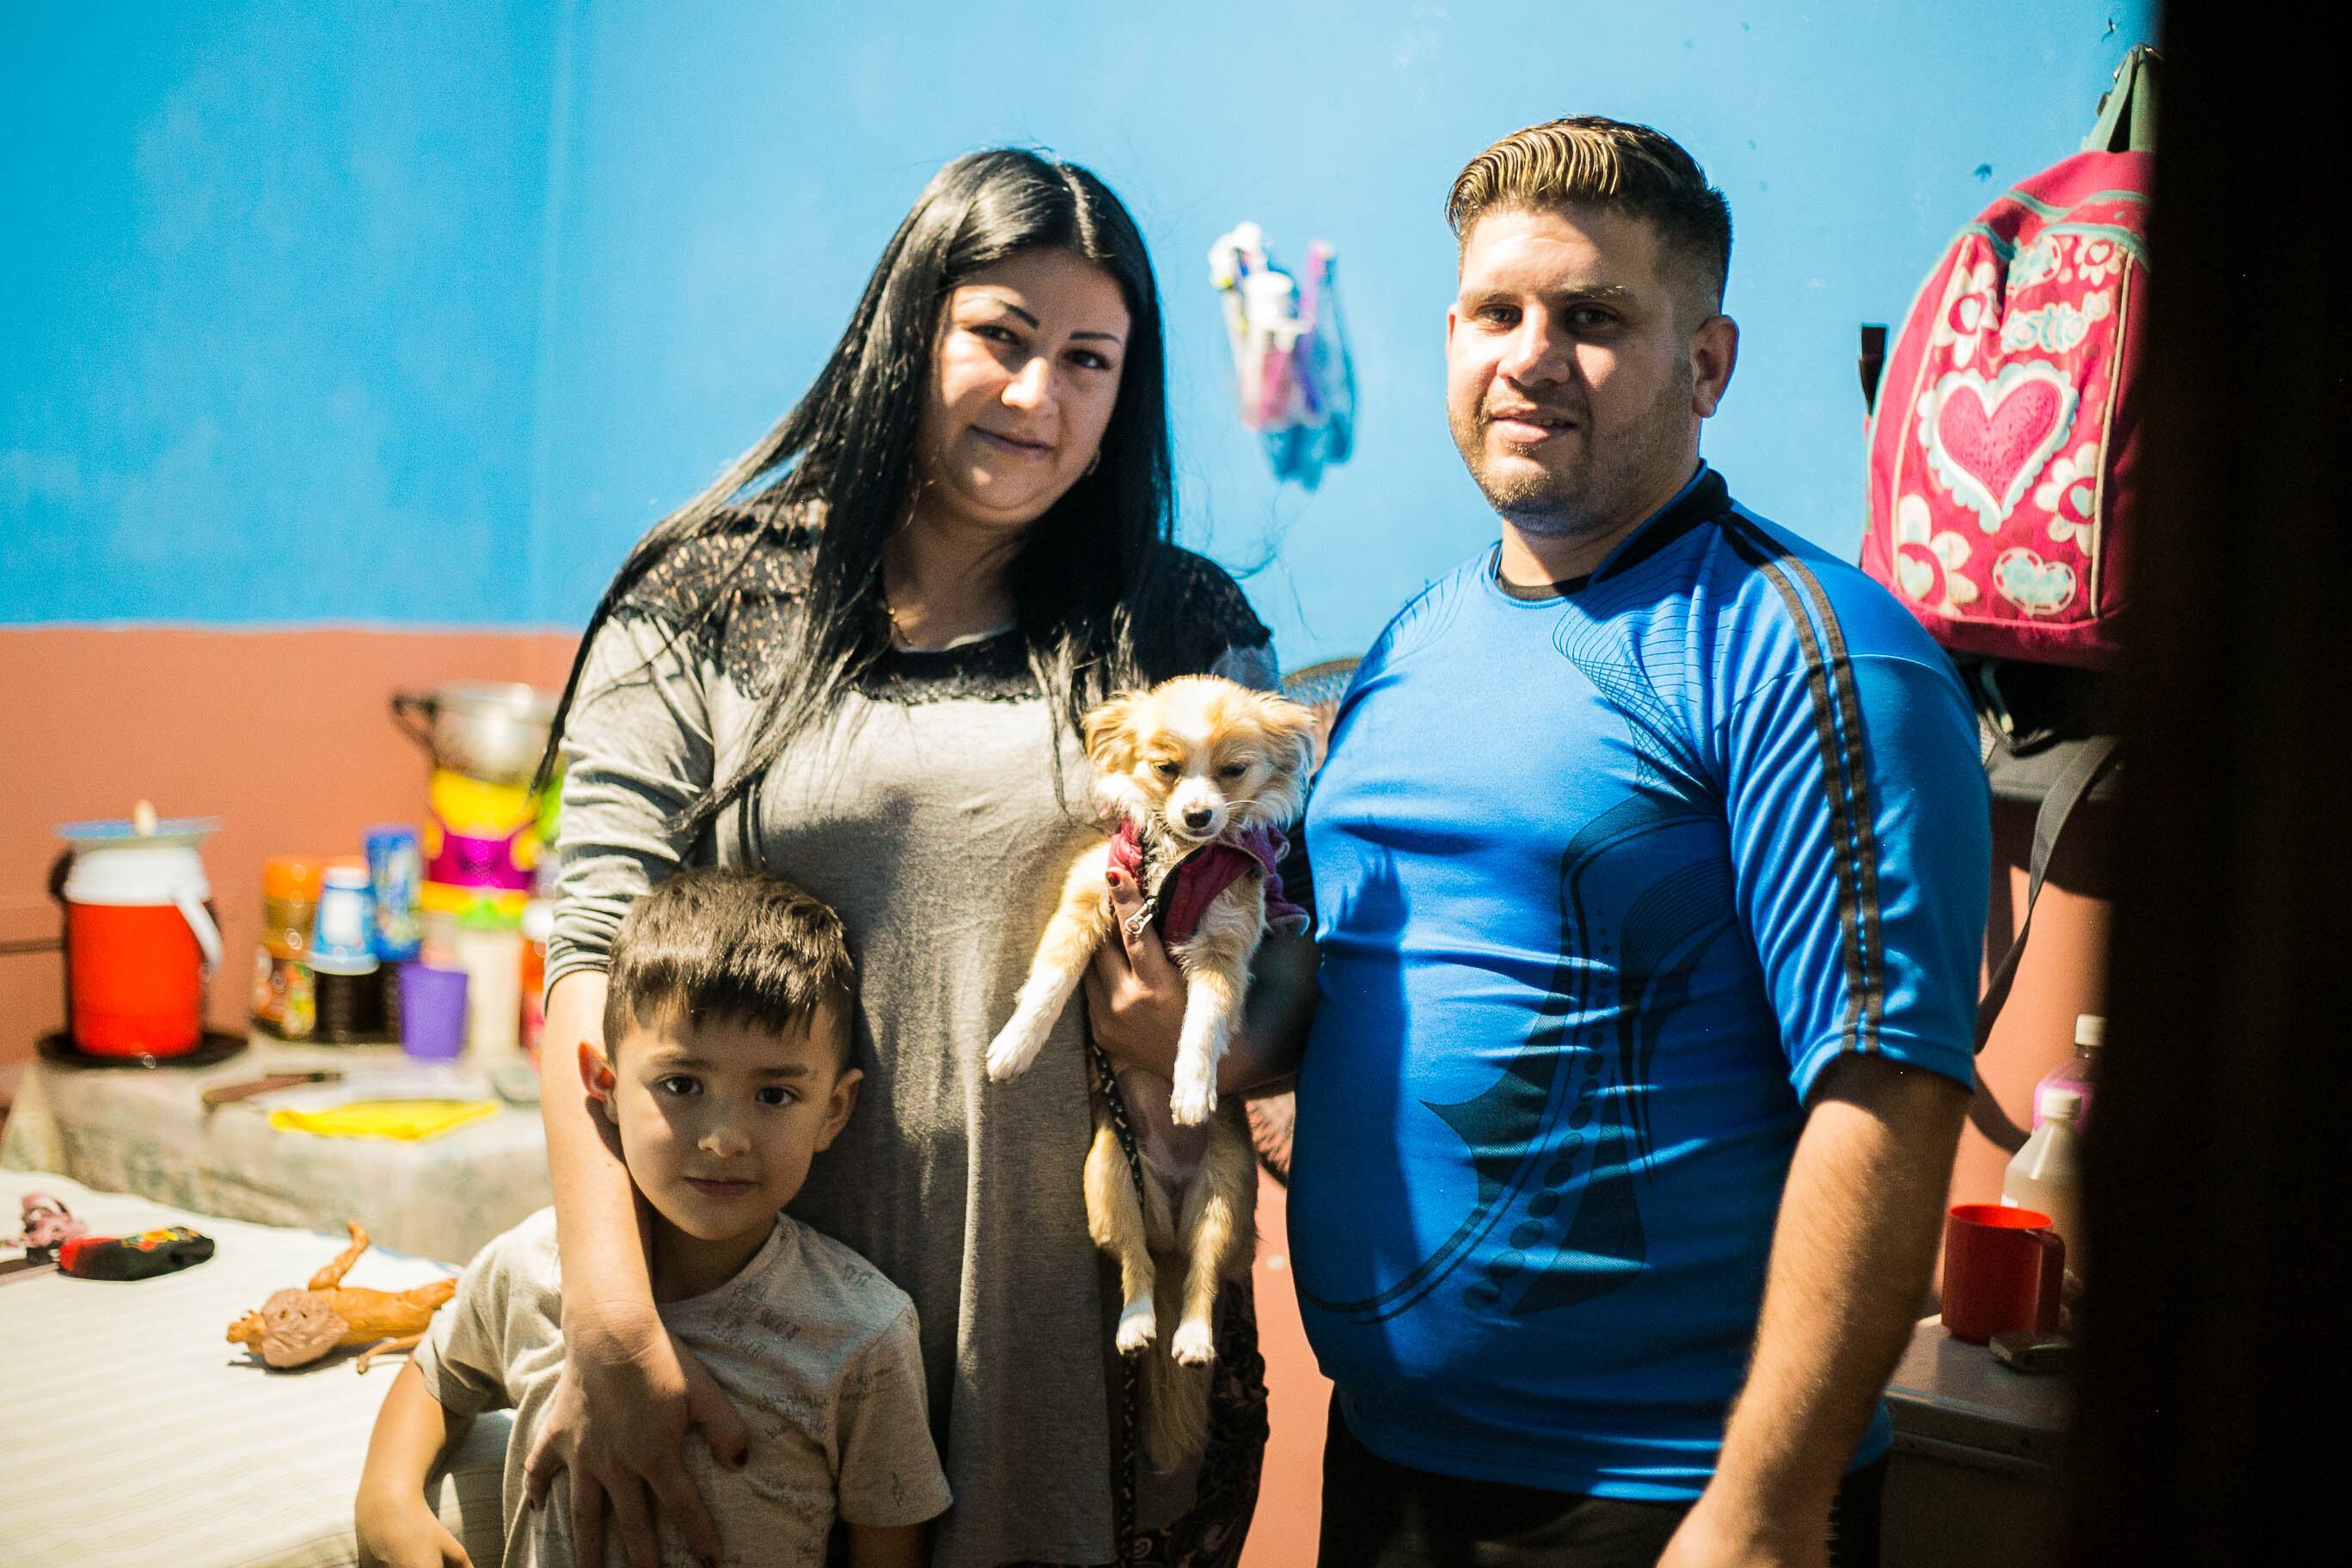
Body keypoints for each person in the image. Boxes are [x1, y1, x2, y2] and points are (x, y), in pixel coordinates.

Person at [527, 150, 1316, 1568]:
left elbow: (1290, 938)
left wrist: (1236, 1039)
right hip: (750, 1321)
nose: (1038, 397)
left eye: (1089, 358)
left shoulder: (1175, 622)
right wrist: (608, 1312)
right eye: (1001, 338)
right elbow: (587, 942)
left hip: (1076, 1325)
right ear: (910, 330)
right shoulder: (710, 592)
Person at [1288, 118, 1988, 1568]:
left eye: (1594, 318)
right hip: (1391, 1470)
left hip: (1668, 1496)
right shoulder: (1412, 642)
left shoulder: (1814, 651)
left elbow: (1886, 1091)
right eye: (1497, 311)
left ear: (1708, 364)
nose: (1531, 355)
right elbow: (1357, 986)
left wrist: (1768, 1501)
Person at [355, 867, 951, 1567]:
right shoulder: (529, 1269)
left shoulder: (863, 1333)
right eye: (682, 1085)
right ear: (604, 1084)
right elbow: (437, 1377)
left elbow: (890, 1550)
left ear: (835, 1111)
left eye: (776, 1096)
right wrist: (386, 1498)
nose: (725, 1138)